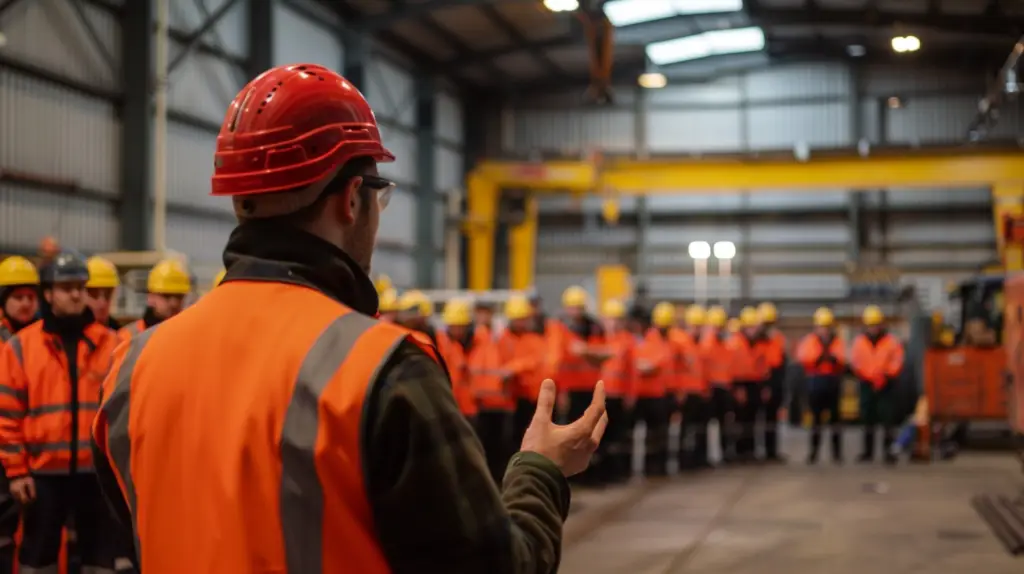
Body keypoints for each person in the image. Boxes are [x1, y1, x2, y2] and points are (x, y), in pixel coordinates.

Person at [92, 63, 607, 574]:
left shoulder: (129, 369)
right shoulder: (381, 367)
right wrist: (540, 468)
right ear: (352, 199)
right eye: (379, 196)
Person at [0, 252, 119, 573]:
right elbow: (7, 414)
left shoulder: (111, 344)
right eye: (67, 287)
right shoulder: (22, 347)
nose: (77, 294)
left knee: (100, 561)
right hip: (42, 477)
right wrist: (17, 472)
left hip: (95, 477)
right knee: (38, 561)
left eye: (81, 287)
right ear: (49, 293)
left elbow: (122, 413)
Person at [850, 305, 905, 465]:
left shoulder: (891, 342)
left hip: (887, 384)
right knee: (868, 419)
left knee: (887, 419)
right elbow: (856, 362)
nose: (873, 328)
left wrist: (886, 375)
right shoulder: (859, 342)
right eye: (870, 325)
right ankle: (868, 453)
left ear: (881, 324)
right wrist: (870, 376)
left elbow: (897, 360)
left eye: (875, 324)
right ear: (866, 325)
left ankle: (888, 453)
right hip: (867, 384)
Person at [796, 307, 846, 464]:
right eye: (821, 327)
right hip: (815, 382)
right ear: (816, 327)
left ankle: (837, 454)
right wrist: (821, 358)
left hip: (833, 381)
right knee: (816, 420)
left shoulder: (837, 341)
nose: (824, 330)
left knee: (835, 420)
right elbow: (804, 358)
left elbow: (842, 359)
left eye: (827, 327)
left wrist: (831, 359)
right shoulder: (809, 341)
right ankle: (814, 453)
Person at [117, 259, 191, 343]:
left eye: (179, 297)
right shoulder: (128, 337)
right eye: (166, 296)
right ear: (151, 297)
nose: (173, 303)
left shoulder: (189, 337)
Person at [0, 256, 40, 343]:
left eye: (31, 297)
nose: (26, 304)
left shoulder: (48, 337)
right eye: (18, 297)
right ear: (2, 301)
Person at [85, 255, 122, 329]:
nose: (102, 303)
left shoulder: (120, 336)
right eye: (94, 294)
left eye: (108, 294)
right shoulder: (65, 337)